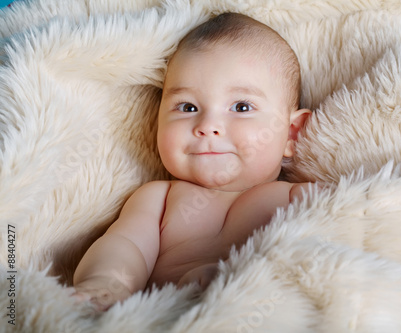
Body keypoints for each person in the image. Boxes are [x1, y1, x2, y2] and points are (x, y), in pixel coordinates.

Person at [72, 12, 317, 311]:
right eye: (187, 106)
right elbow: (126, 246)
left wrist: (238, 276)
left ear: (291, 133)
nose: (207, 125)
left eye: (241, 107)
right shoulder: (159, 198)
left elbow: (330, 251)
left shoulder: (302, 198)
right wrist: (106, 285)